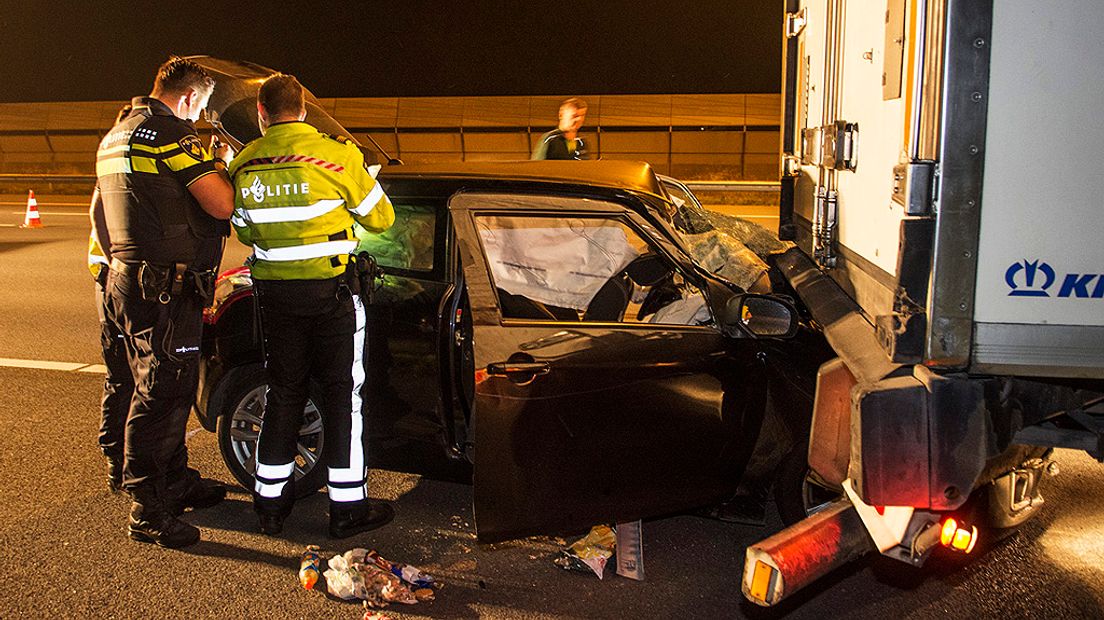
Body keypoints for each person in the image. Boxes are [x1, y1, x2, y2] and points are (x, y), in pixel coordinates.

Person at [228, 73, 396, 538]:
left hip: (275, 301)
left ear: (261, 115)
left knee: (283, 394)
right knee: (344, 398)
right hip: (332, 296)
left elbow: (243, 230)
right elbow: (382, 219)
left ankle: (269, 505)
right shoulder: (338, 156)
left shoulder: (243, 163)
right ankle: (347, 508)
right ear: (302, 109)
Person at [96, 57, 236, 548]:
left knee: (152, 386)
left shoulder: (116, 134)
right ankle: (148, 508)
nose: (198, 114)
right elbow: (221, 203)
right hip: (164, 289)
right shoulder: (169, 134)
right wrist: (216, 161)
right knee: (161, 393)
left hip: (127, 280)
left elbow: (103, 209)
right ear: (191, 97)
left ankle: (173, 481)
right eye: (200, 106)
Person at [88, 104, 134, 493]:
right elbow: (97, 216)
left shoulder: (110, 164)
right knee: (125, 378)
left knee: (127, 378)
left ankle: (122, 460)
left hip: (111, 281)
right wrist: (120, 264)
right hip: (113, 283)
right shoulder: (116, 169)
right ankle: (119, 461)